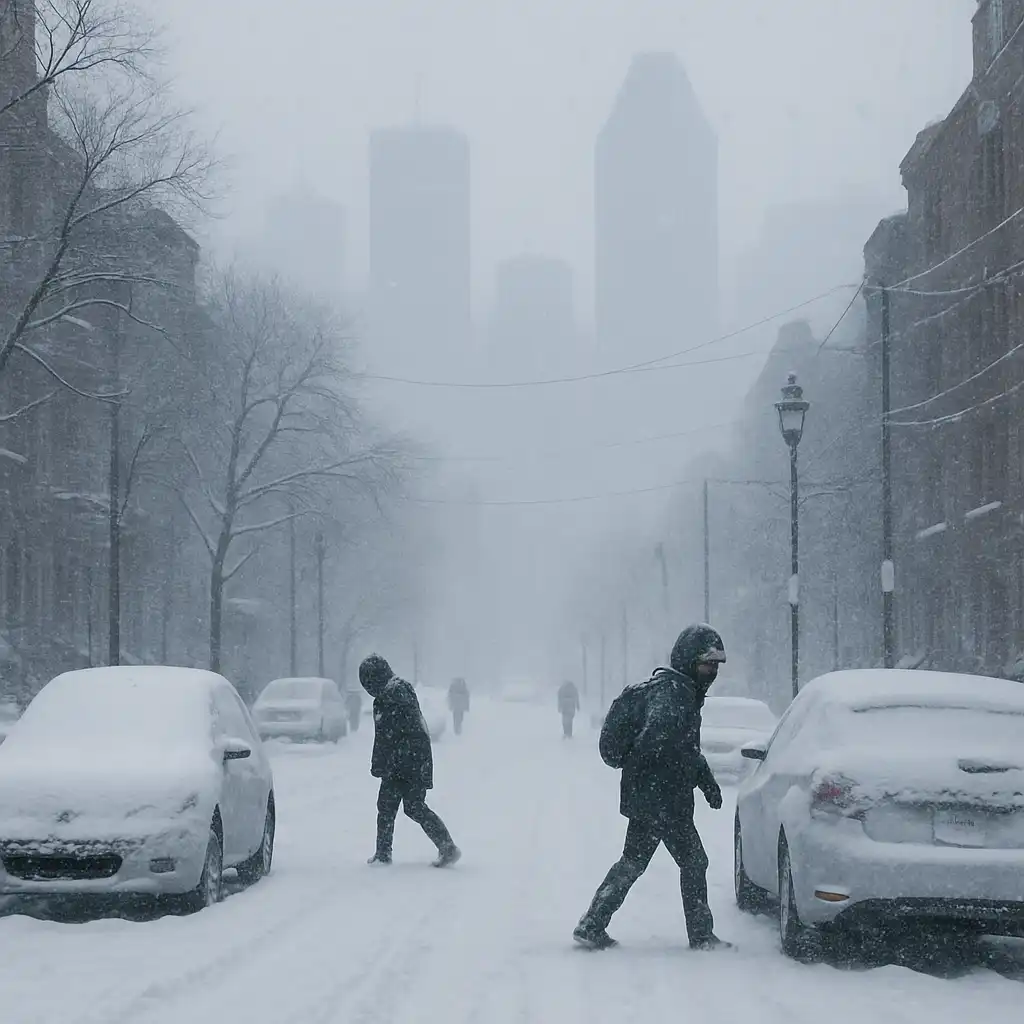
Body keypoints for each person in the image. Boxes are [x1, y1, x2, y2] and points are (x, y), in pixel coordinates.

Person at [573, 624, 731, 952]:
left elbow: (683, 749)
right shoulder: (674, 696)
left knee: (633, 861)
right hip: (664, 800)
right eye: (707, 663)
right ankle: (701, 936)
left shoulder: (678, 691)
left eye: (716, 665)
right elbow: (661, 744)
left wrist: (705, 783)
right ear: (689, 660)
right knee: (693, 861)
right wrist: (676, 782)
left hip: (651, 798)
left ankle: (592, 923)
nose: (712, 671)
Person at [359, 654, 461, 868]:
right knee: (396, 806)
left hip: (407, 762)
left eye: (368, 683)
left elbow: (397, 733)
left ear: (375, 679)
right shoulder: (392, 692)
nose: (368, 689)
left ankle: (445, 846)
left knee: (406, 806)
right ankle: (385, 852)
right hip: (404, 762)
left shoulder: (395, 693)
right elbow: (386, 736)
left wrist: (391, 762)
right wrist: (381, 763)